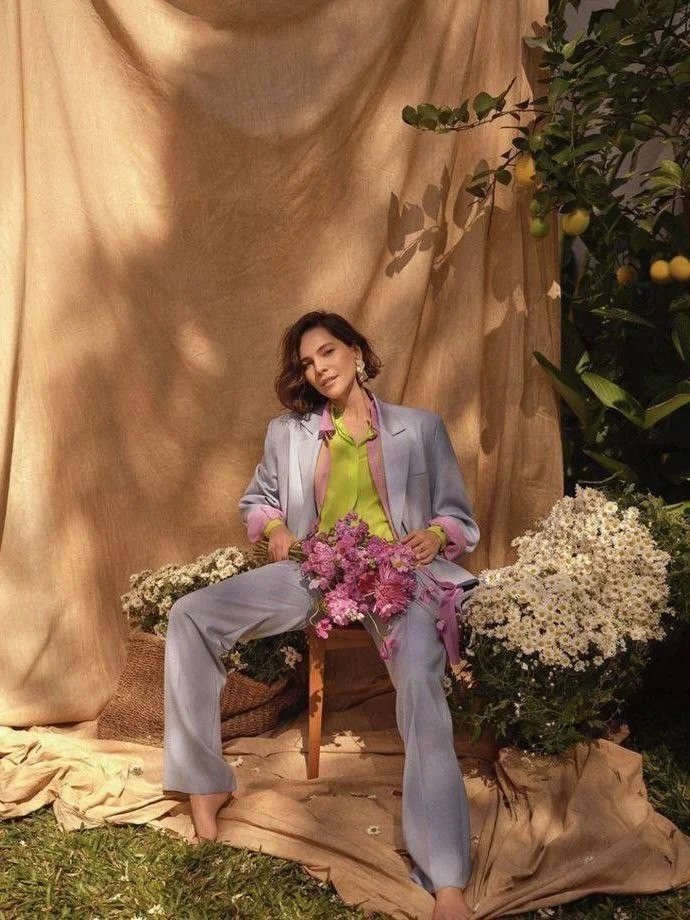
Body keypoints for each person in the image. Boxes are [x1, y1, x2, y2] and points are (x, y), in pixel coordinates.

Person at [163, 311, 480, 920]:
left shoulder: (421, 428)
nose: (320, 368)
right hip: (315, 572)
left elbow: (460, 518)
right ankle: (204, 780)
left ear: (358, 352)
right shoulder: (290, 433)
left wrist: (436, 539)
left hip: (400, 577)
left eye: (329, 352)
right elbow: (257, 501)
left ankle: (446, 879)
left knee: (418, 676)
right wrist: (278, 528)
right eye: (308, 363)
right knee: (191, 615)